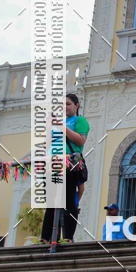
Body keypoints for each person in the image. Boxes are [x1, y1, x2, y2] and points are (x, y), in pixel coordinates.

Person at [40, 94, 89, 246]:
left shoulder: (80, 121)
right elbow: (46, 145)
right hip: (53, 163)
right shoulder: (57, 124)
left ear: (76, 105)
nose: (65, 107)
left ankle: (67, 236)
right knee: (51, 203)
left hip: (70, 164)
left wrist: (62, 126)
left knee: (68, 200)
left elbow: (80, 140)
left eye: (68, 104)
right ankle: (45, 237)